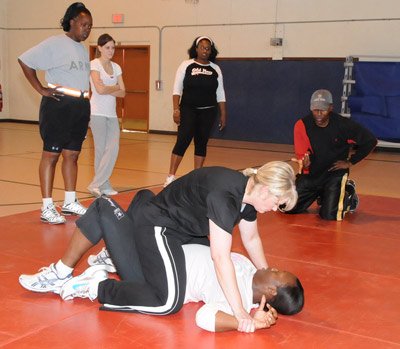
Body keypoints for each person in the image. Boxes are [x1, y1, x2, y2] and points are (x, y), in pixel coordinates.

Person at [19, 161, 298, 333]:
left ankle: (119, 250)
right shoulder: (225, 195)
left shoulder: (247, 198)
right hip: (161, 225)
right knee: (167, 301)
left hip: (182, 230)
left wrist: (261, 285)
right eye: (277, 202)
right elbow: (220, 256)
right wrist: (240, 314)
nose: (275, 209)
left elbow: (251, 240)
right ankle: (91, 280)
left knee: (162, 280)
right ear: (265, 189)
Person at [18, 2, 92, 224]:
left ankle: (69, 202)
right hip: (58, 105)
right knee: (51, 155)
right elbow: (25, 60)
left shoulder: (82, 49)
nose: (87, 29)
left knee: (72, 155)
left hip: (80, 106)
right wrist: (40, 88)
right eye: (84, 24)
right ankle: (47, 207)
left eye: (90, 26)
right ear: (72, 22)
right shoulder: (55, 43)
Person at [287, 89, 377, 221]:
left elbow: (370, 141)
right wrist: (303, 163)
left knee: (329, 216)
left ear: (330, 108)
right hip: (312, 175)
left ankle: (347, 192)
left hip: (334, 174)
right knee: (287, 207)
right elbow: (302, 154)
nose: (318, 114)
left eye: (322, 110)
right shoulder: (302, 125)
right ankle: (323, 194)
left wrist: (351, 162)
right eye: (315, 110)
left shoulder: (344, 125)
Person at [164, 36, 227, 187]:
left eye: (208, 48)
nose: (205, 50)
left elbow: (220, 93)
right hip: (188, 109)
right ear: (196, 49)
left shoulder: (215, 68)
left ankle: (196, 178)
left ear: (211, 51)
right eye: (202, 47)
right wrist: (176, 109)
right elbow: (176, 89)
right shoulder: (186, 65)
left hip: (208, 111)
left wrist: (223, 114)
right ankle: (170, 176)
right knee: (183, 140)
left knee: (201, 142)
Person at [87, 33, 126, 197]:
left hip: (111, 114)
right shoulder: (94, 64)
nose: (111, 51)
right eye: (107, 47)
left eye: (113, 47)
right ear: (100, 48)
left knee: (113, 148)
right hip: (96, 113)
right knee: (101, 150)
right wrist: (114, 87)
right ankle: (103, 184)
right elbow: (99, 90)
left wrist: (110, 89)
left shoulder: (116, 67)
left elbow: (123, 92)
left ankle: (96, 183)